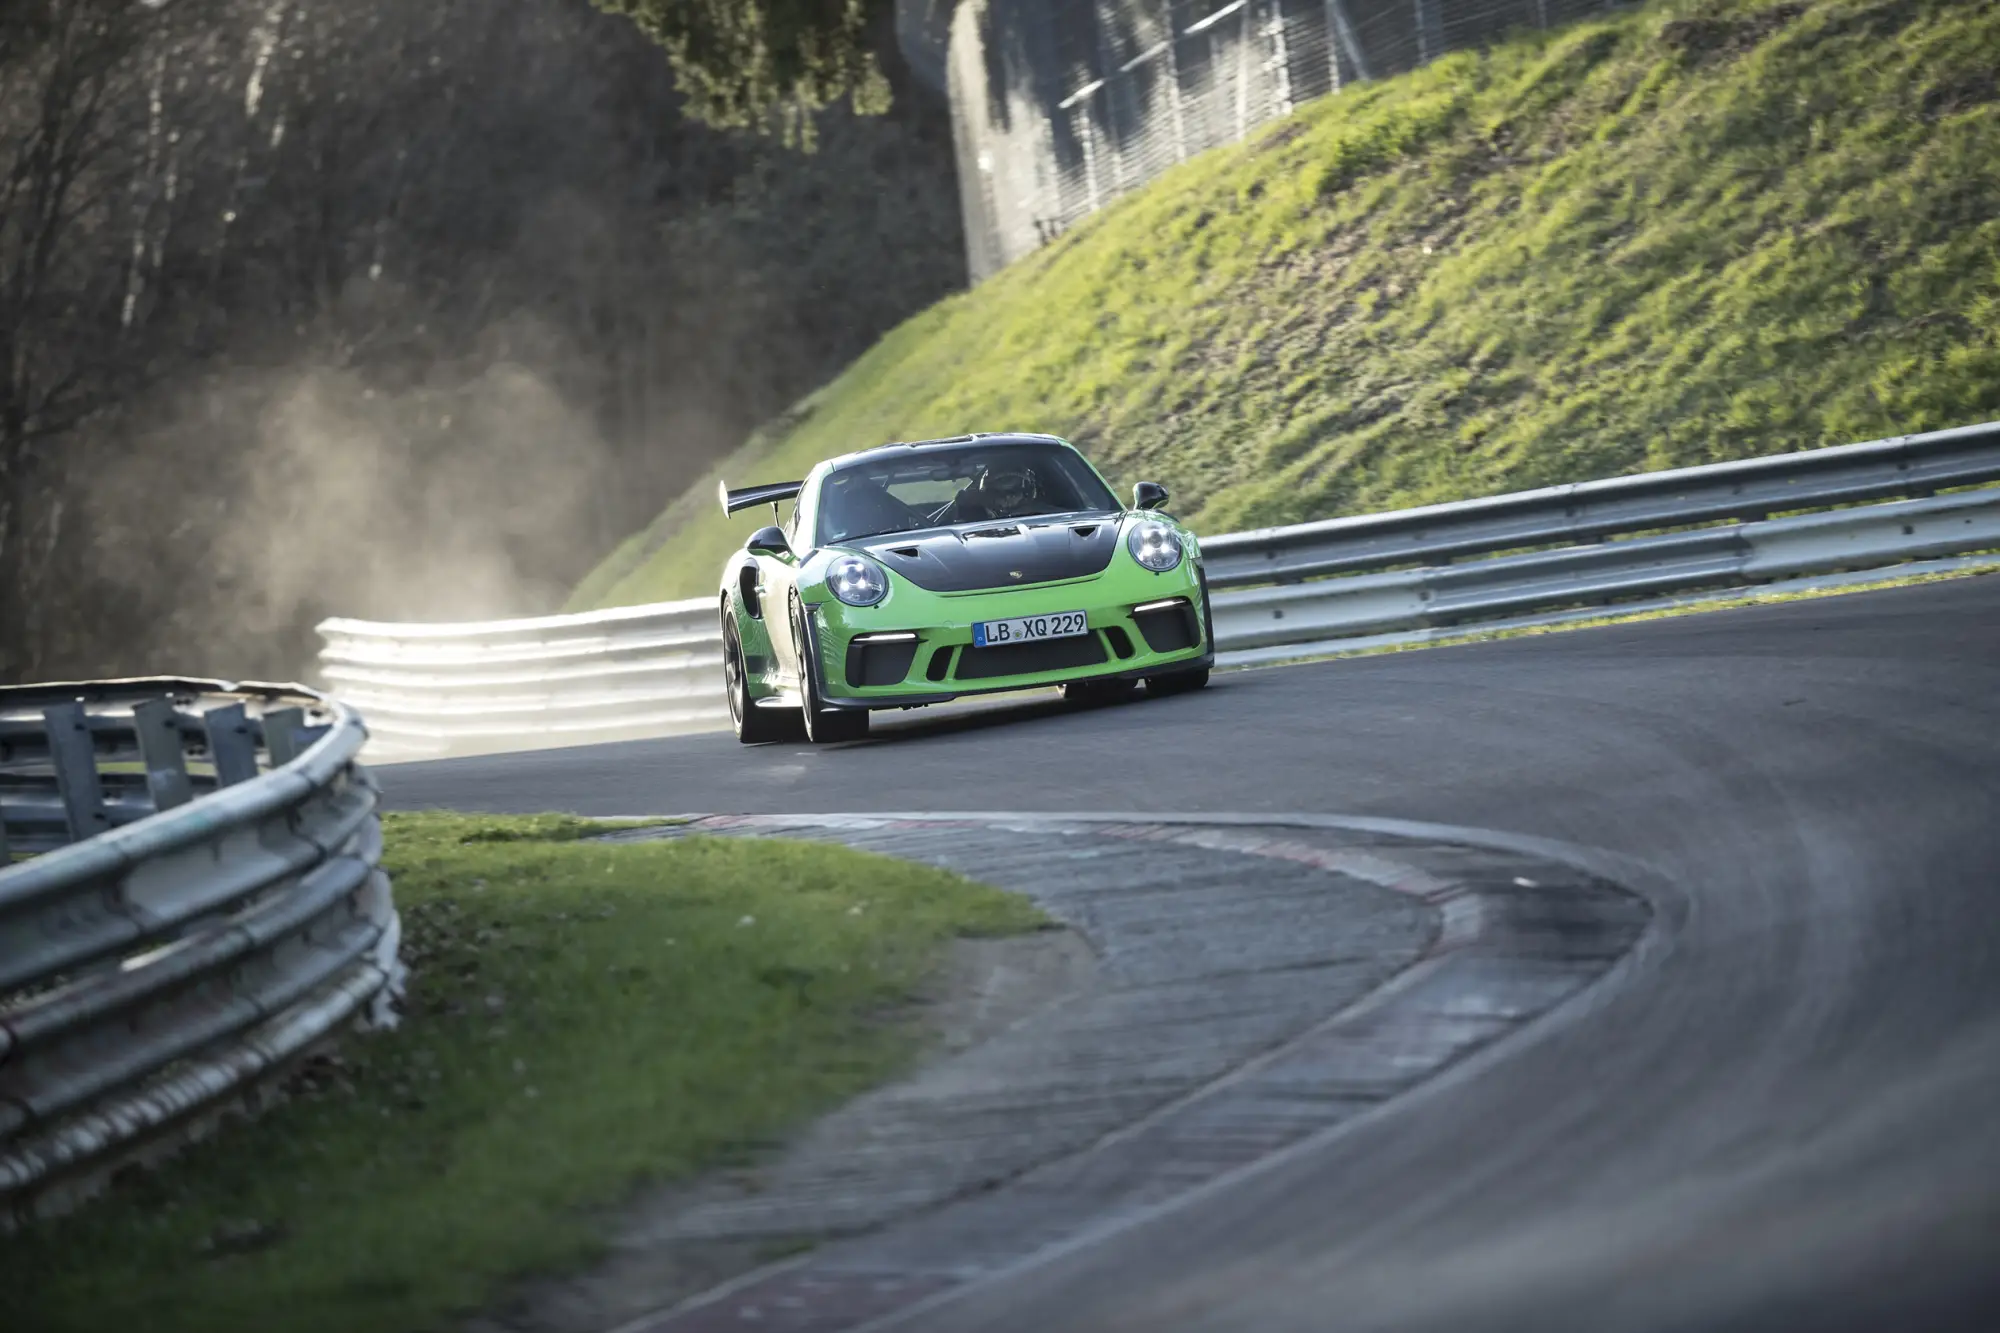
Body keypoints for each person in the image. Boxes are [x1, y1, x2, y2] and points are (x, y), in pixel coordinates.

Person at [953, 459, 1042, 522]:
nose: (1007, 497)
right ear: (987, 492)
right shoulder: (971, 516)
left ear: (1027, 492)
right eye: (999, 493)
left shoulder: (1042, 514)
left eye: (1013, 492)